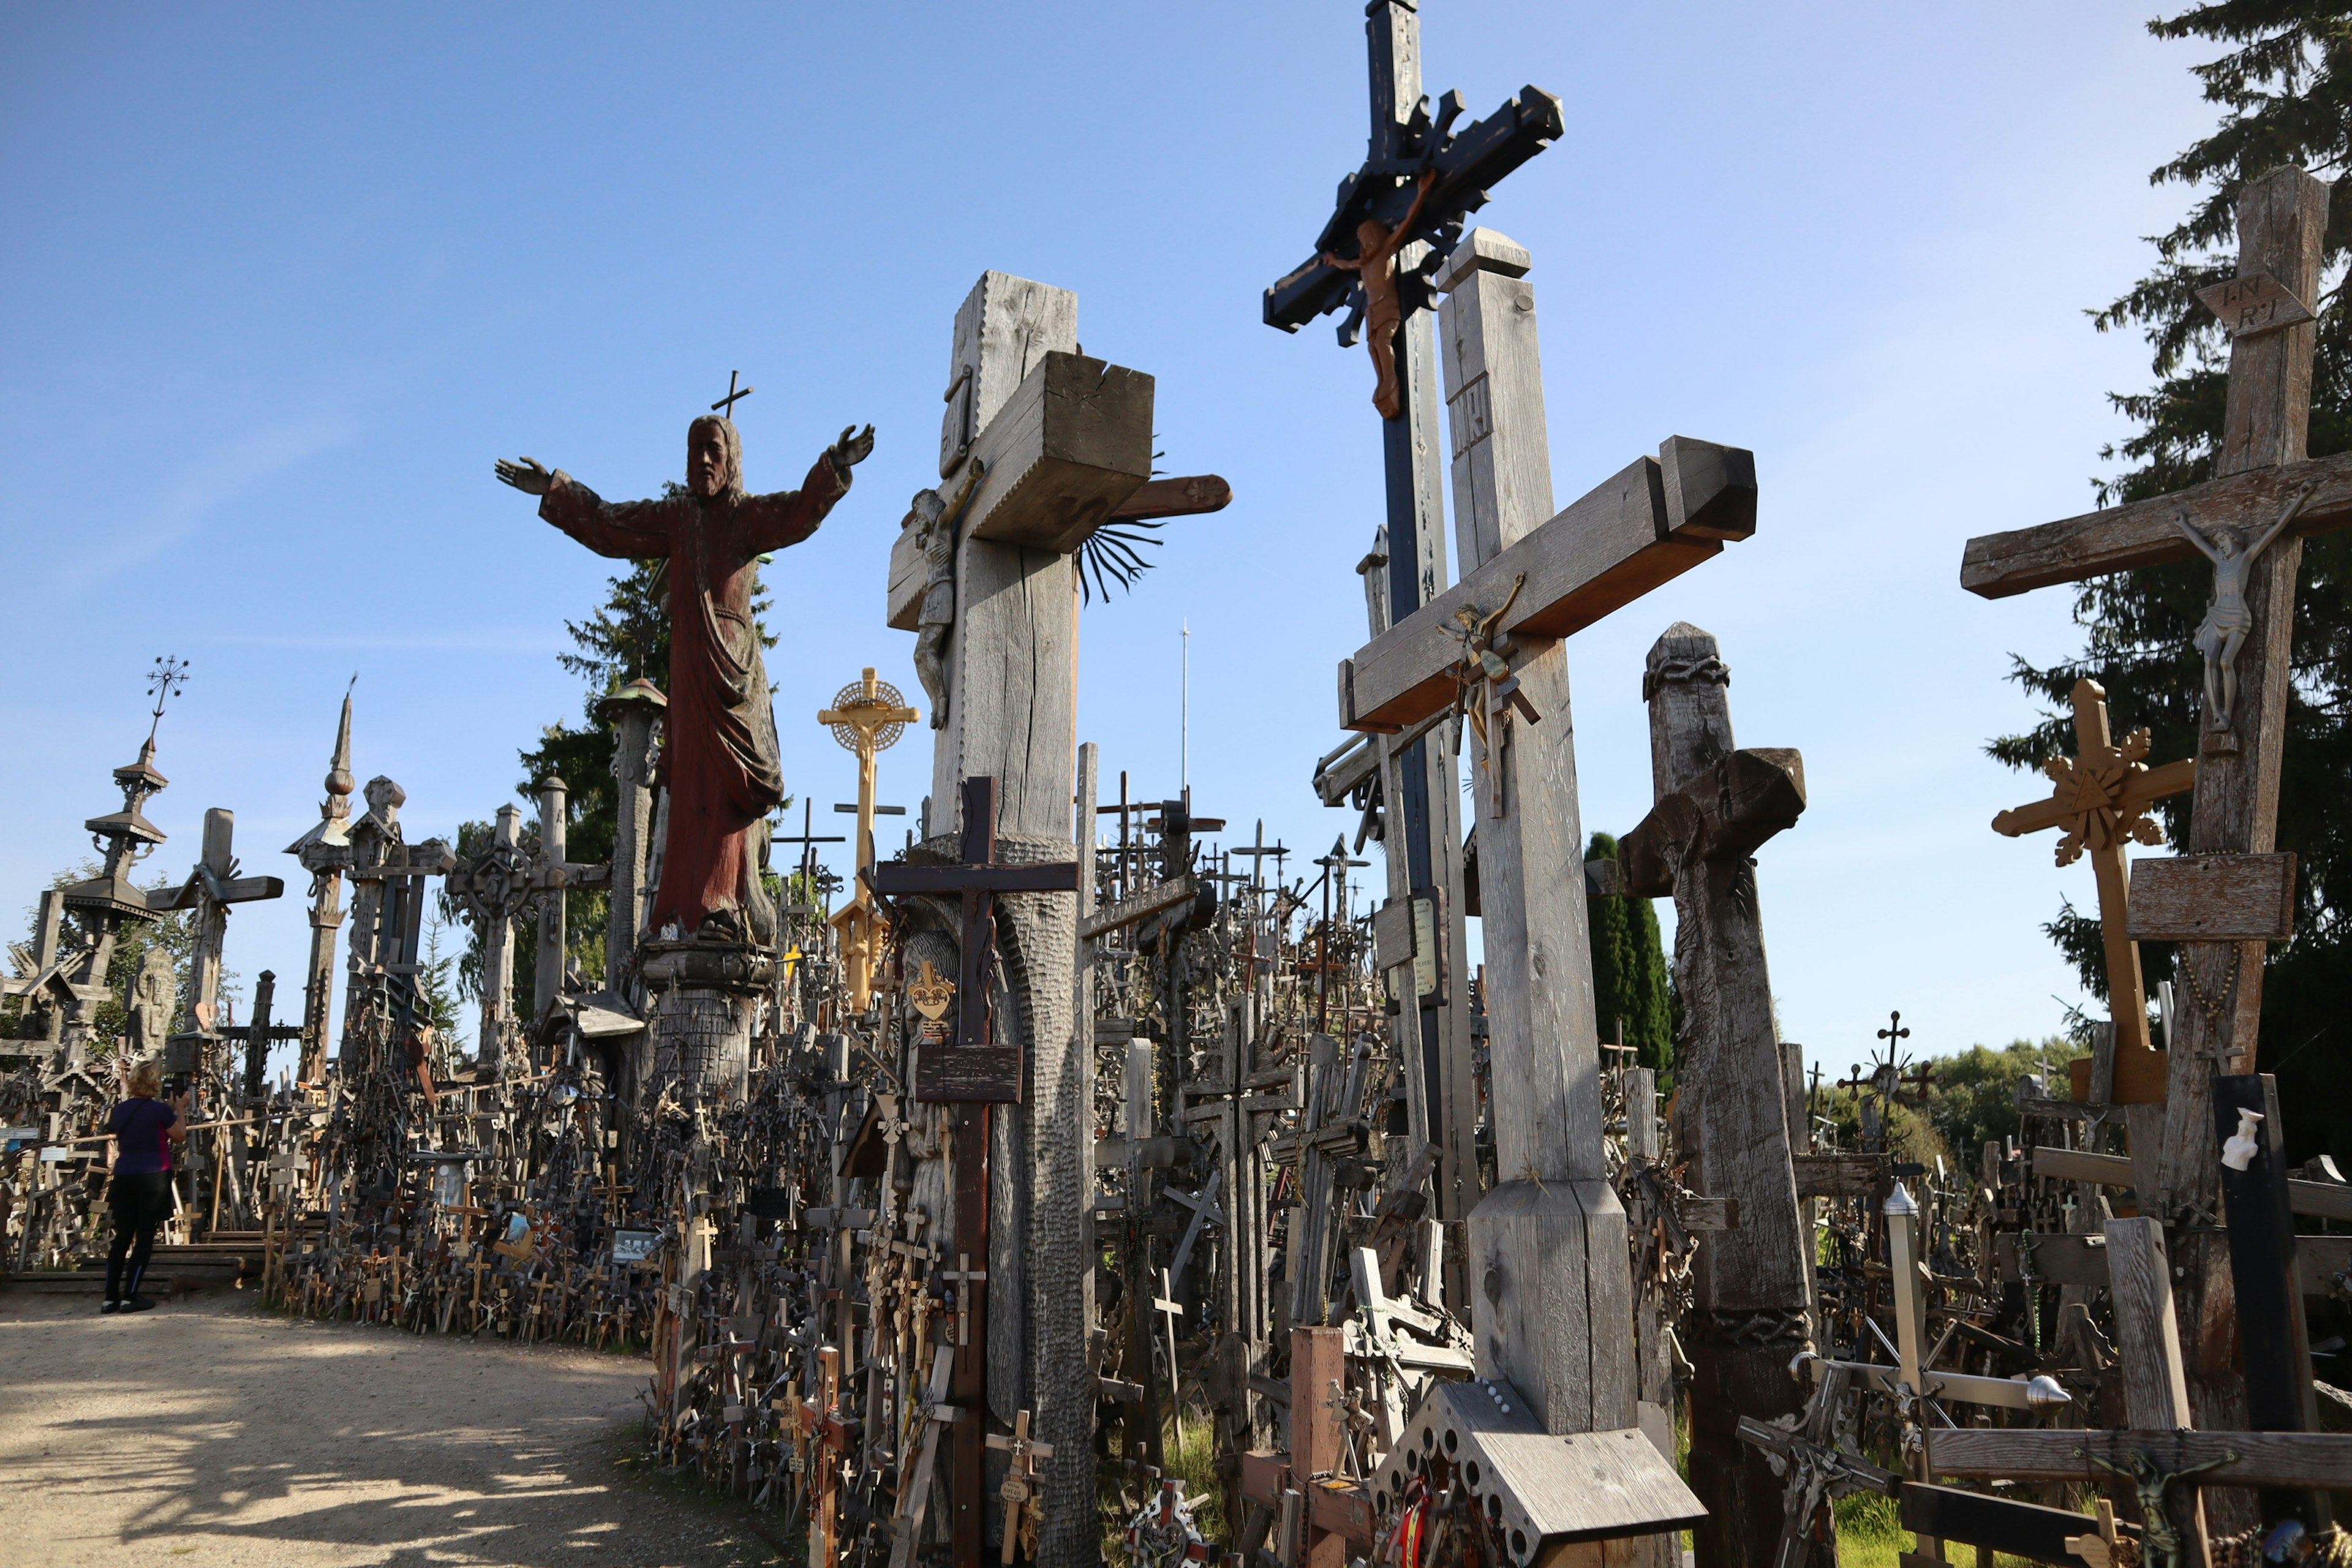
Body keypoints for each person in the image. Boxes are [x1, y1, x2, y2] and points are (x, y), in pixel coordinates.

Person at [496, 413, 875, 946]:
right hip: (689, 675)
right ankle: (677, 909)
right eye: (694, 449)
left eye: (713, 450)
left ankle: (724, 904)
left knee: (727, 791)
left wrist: (833, 467)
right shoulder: (676, 518)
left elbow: (796, 513)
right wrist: (557, 490)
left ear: (731, 459)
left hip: (731, 678)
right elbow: (610, 525)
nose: (702, 460)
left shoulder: (745, 517)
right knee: (689, 788)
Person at [103, 1060, 187, 1314]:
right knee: (145, 1237)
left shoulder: (120, 1110)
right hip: (153, 1175)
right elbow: (180, 1135)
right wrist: (180, 1109)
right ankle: (131, 1296)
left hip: (125, 1174)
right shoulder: (160, 1111)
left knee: (122, 1237)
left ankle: (110, 1298)